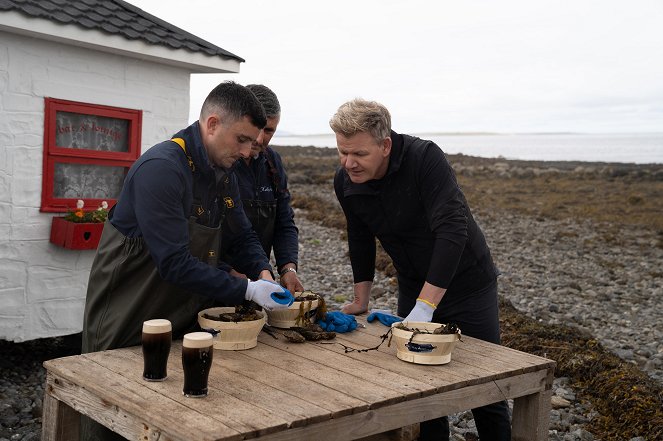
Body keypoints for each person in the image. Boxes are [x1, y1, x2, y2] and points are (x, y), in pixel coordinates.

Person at [81, 81, 294, 441]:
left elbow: (242, 235)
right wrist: (247, 289)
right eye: (242, 140)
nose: (248, 152)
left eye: (254, 142)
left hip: (177, 317)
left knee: (167, 419)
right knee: (111, 420)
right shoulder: (162, 168)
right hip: (126, 317)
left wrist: (263, 272)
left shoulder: (221, 173)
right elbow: (174, 263)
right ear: (212, 124)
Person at [330, 98, 511, 441]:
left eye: (358, 154)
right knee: (418, 381)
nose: (348, 163)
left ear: (384, 145)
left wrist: (426, 307)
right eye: (342, 152)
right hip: (413, 283)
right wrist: (360, 299)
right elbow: (360, 235)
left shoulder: (424, 158)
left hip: (468, 281)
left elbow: (453, 229)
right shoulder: (346, 181)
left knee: (489, 382)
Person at [221, 84, 304, 293]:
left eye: (268, 130)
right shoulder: (220, 161)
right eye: (256, 128)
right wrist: (228, 273)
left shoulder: (272, 163)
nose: (259, 139)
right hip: (216, 278)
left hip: (259, 278)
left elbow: (284, 221)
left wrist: (288, 268)